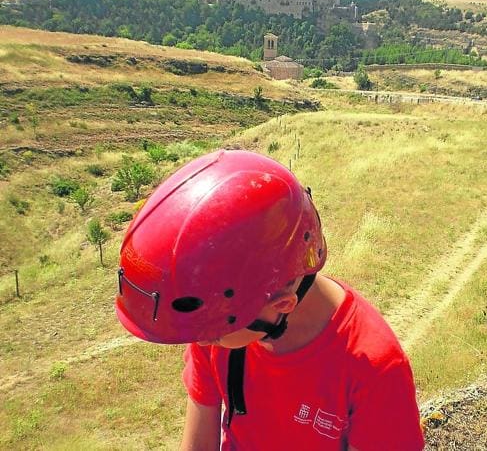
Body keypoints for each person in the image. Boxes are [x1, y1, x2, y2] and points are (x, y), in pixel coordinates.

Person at [115, 149, 424, 450]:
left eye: (216, 335)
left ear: (281, 305)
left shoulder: (374, 370)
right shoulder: (218, 325)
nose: (205, 343)